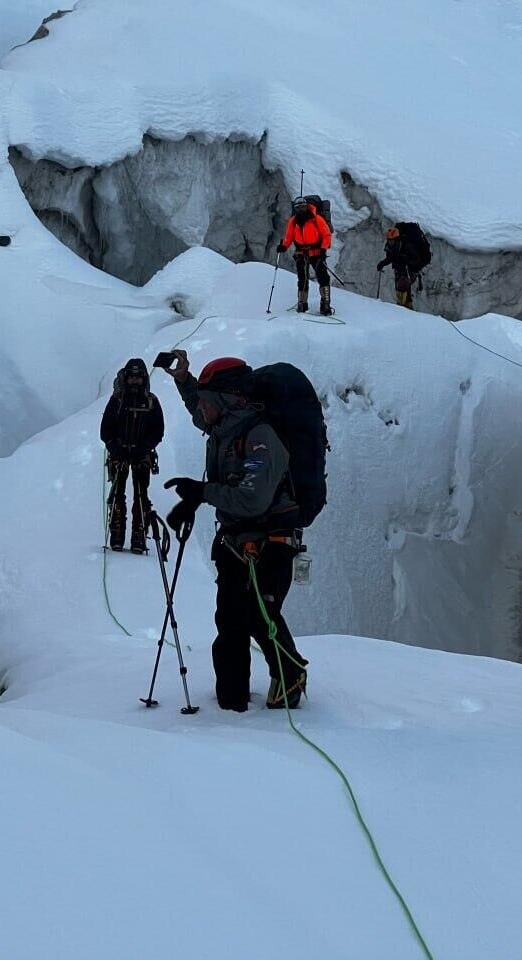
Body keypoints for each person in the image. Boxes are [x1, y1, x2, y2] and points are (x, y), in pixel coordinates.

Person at [162, 351, 309, 711]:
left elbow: (253, 499)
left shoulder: (260, 437)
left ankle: (290, 676)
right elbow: (200, 408)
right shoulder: (223, 427)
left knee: (259, 615)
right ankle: (230, 703)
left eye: (209, 403)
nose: (202, 411)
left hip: (271, 542)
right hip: (235, 542)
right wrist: (185, 380)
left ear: (227, 402)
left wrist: (202, 493)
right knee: (229, 620)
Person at [100, 358, 163, 554]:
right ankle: (118, 534)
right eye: (132, 377)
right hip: (122, 453)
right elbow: (105, 430)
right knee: (119, 493)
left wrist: (143, 447)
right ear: (126, 378)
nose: (135, 381)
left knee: (140, 494)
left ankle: (138, 535)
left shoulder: (150, 401)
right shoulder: (118, 400)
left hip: (140, 454)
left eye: (138, 377)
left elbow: (158, 431)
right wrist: (115, 447)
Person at [277, 197, 333, 316]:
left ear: (307, 206)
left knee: (323, 278)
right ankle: (302, 304)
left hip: (317, 253)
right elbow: (289, 237)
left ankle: (325, 304)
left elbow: (326, 235)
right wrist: (284, 246)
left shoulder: (317, 218)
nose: (301, 209)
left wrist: (323, 250)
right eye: (298, 208)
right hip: (301, 254)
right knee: (302, 279)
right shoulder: (293, 221)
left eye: (303, 206)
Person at [376, 226, 419, 309]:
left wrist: (406, 260)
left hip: (409, 271)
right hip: (399, 270)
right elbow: (390, 258)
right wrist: (382, 264)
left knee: (402, 288)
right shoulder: (390, 247)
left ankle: (400, 309)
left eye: (391, 240)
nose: (389, 241)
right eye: (389, 240)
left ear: (396, 239)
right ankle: (408, 308)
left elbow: (416, 259)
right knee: (404, 290)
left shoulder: (406, 246)